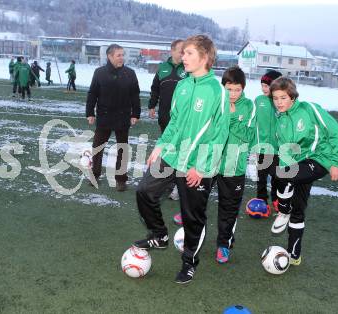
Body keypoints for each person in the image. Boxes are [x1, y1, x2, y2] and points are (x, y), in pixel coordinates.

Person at [133, 35, 230, 284]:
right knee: (144, 191)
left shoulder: (216, 91)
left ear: (204, 57)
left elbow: (220, 134)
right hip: (174, 156)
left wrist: (203, 168)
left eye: (188, 53)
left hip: (198, 165)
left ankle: (189, 262)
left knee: (192, 217)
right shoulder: (183, 85)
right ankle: (159, 235)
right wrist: (162, 146)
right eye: (182, 53)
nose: (182, 57)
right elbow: (175, 122)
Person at [269, 77, 338, 266]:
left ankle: (283, 211)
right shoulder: (281, 121)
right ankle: (294, 255)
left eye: (283, 98)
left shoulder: (309, 109)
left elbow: (335, 131)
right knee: (299, 209)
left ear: (293, 97)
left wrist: (336, 162)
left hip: (320, 159)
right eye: (275, 98)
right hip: (300, 164)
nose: (278, 102)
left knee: (286, 174)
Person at [214, 66, 255, 264]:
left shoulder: (248, 107)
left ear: (243, 88)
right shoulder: (214, 102)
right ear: (223, 87)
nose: (233, 94)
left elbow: (250, 136)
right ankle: (191, 239)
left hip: (234, 166)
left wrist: (230, 117)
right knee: (196, 203)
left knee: (228, 208)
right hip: (210, 162)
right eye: (229, 89)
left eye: (237, 90)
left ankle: (224, 244)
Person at [86, 44, 141, 192]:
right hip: (104, 117)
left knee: (122, 149)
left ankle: (121, 180)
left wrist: (136, 114)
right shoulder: (99, 73)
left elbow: (135, 94)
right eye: (119, 55)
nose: (122, 58)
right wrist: (90, 113)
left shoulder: (130, 73)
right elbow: (92, 94)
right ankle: (94, 175)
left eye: (123, 55)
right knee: (97, 148)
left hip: (123, 117)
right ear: (110, 56)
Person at [148, 39, 186, 208]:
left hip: (183, 120)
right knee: (167, 151)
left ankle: (180, 186)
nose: (183, 54)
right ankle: (168, 184)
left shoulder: (189, 70)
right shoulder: (162, 68)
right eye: (180, 50)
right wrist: (151, 105)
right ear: (172, 51)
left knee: (182, 150)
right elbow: (155, 88)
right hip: (165, 118)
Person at [251, 70, 283, 212]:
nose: (264, 89)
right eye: (262, 85)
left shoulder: (281, 102)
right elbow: (252, 121)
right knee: (261, 176)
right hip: (261, 147)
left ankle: (276, 199)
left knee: (277, 176)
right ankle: (261, 200)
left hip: (277, 148)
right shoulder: (258, 100)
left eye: (267, 86)